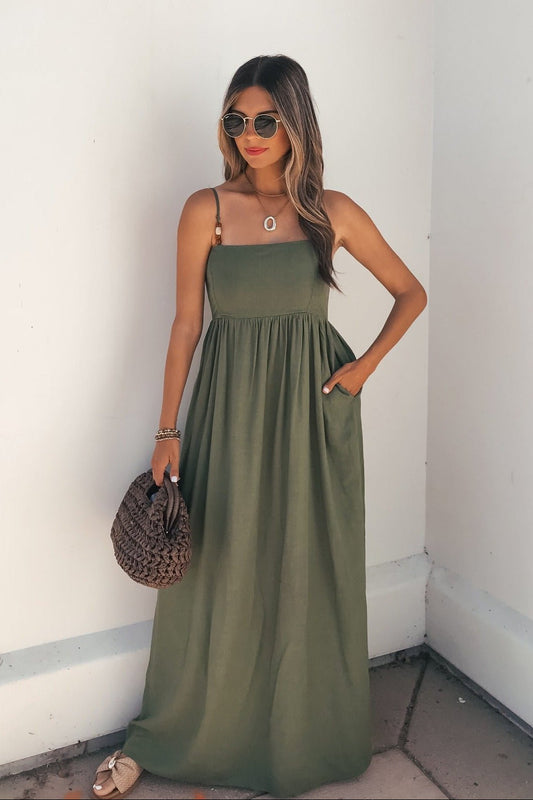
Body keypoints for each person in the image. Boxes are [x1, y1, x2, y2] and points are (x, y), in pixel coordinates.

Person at [92, 54, 427, 799]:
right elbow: (185, 326)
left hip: (312, 414)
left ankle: (302, 736)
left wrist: (362, 368)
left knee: (304, 565)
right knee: (218, 569)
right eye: (236, 119)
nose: (249, 134)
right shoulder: (203, 209)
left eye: (265, 120)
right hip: (227, 413)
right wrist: (166, 429)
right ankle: (183, 732)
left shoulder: (331, 213)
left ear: (294, 124)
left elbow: (409, 292)